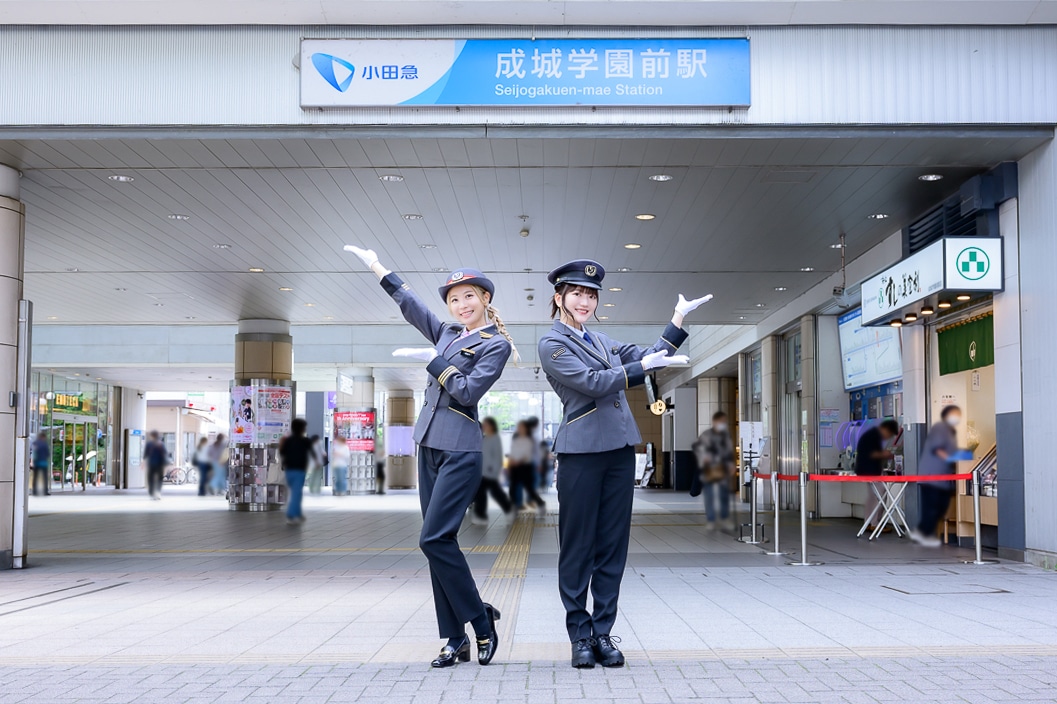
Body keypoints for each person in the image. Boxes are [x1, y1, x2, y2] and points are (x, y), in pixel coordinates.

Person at [346, 243, 517, 668]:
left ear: (485, 300)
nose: (461, 304)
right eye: (454, 299)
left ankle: (481, 621)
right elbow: (412, 305)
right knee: (439, 544)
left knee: (433, 538)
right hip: (429, 445)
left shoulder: (494, 345)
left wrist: (436, 363)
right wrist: (377, 266)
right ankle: (453, 639)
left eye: (469, 296)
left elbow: (466, 391)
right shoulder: (445, 333)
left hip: (461, 449)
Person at [538, 259, 710, 669]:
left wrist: (677, 319)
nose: (584, 300)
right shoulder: (552, 343)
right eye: (577, 293)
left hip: (618, 450)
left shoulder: (602, 340)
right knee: (578, 546)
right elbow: (593, 383)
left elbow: (652, 356)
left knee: (612, 546)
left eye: (591, 295)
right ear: (559, 297)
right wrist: (639, 369)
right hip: (580, 453)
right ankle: (579, 636)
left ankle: (603, 633)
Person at [911, 405, 962, 547]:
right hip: (932, 476)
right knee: (932, 506)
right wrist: (952, 458)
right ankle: (924, 534)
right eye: (954, 414)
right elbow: (938, 449)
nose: (956, 417)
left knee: (938, 506)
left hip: (940, 478)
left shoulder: (950, 431)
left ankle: (922, 532)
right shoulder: (940, 428)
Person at [854, 419, 899, 534]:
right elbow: (872, 454)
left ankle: (868, 522)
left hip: (865, 470)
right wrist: (887, 454)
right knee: (880, 496)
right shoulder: (873, 436)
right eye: (889, 434)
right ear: (885, 429)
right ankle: (875, 524)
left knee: (873, 497)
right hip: (871, 470)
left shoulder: (870, 434)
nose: (887, 437)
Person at [695, 411, 736, 531]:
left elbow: (729, 452)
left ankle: (724, 518)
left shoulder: (726, 436)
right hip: (709, 469)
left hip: (723, 469)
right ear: (714, 421)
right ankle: (711, 519)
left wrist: (731, 464)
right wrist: (705, 458)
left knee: (724, 495)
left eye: (724, 422)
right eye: (721, 421)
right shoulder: (706, 435)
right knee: (709, 495)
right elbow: (699, 449)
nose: (723, 424)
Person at [473, 417, 513, 524]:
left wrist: (495, 470)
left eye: (486, 425)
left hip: (490, 471)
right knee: (483, 493)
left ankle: (507, 510)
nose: (484, 427)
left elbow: (498, 456)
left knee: (495, 493)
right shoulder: (483, 438)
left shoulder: (495, 438)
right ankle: (481, 515)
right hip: (482, 471)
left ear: (491, 426)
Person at [508, 420, 547, 515]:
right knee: (513, 488)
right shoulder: (516, 439)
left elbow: (527, 454)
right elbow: (512, 452)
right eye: (519, 427)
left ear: (526, 428)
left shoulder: (529, 440)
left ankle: (540, 503)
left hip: (525, 467)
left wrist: (518, 461)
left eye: (522, 427)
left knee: (529, 488)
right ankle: (515, 507)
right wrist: (511, 462)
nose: (520, 429)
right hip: (514, 467)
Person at [279, 419, 312, 525]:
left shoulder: (287, 440)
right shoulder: (305, 441)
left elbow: (282, 452)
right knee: (296, 493)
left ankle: (298, 513)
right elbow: (312, 452)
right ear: (302, 429)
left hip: (289, 469)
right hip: (299, 470)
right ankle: (291, 514)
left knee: (296, 493)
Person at [143, 431, 168, 500]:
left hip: (151, 464)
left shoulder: (149, 444)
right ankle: (158, 492)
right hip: (160, 465)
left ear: (152, 436)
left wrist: (143, 463)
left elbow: (145, 455)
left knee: (150, 479)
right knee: (159, 479)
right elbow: (165, 454)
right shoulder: (161, 444)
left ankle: (152, 492)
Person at [31, 432, 50, 497]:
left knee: (35, 477)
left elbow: (33, 453)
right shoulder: (45, 444)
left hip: (36, 463)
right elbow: (48, 454)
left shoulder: (35, 443)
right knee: (45, 477)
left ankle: (35, 491)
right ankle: (45, 491)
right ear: (43, 437)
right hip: (43, 463)